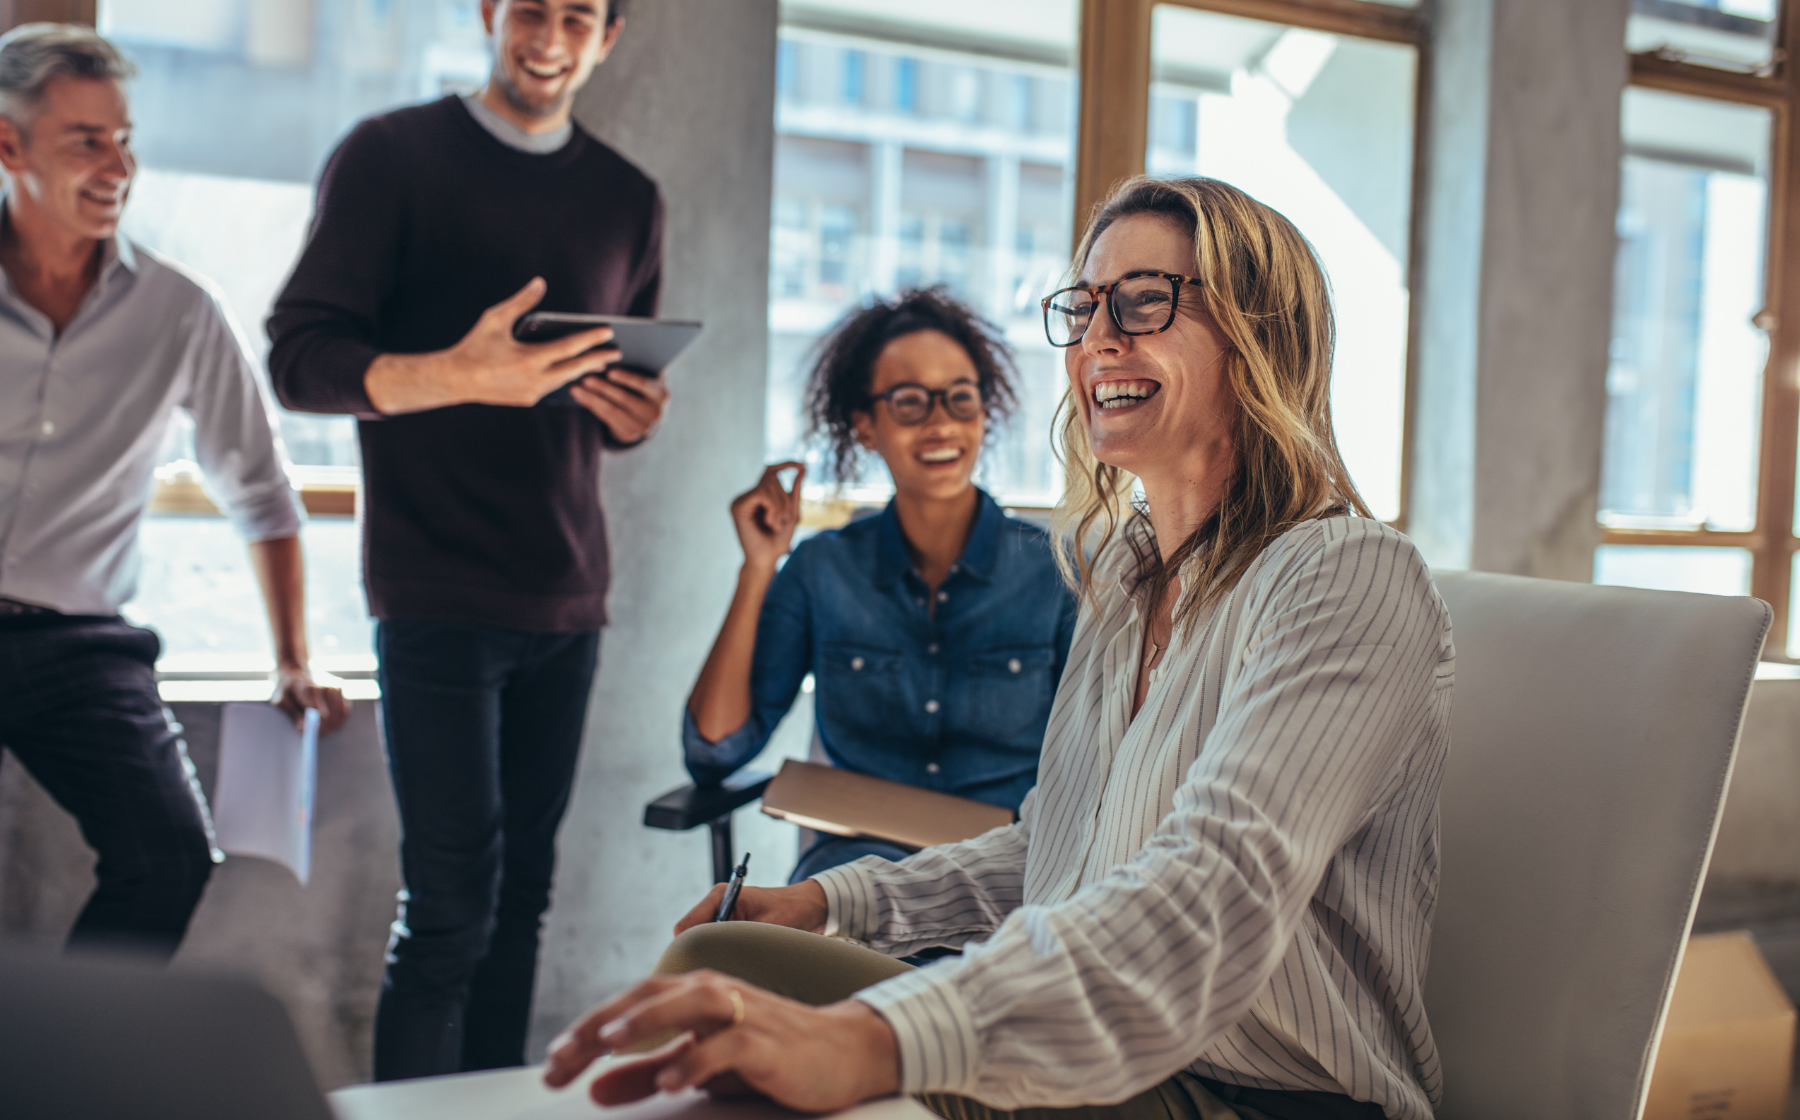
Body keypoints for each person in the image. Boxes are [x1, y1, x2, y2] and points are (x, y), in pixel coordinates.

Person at [544, 176, 1455, 1120]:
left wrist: (875, 1038)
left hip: (1253, 1097)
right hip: (1102, 1050)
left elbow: (1209, 897)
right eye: (1086, 307)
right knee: (722, 958)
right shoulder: (1123, 575)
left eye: (1145, 300)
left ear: (1260, 334)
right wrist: (834, 904)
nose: (1098, 339)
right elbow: (1054, 852)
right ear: (866, 426)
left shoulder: (1346, 575)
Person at [266, 0, 668, 1083]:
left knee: (521, 901)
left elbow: (607, 396)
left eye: (578, 17)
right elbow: (299, 361)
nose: (550, 36)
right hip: (434, 589)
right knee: (449, 911)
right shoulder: (390, 156)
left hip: (568, 592)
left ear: (609, 37)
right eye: (530, 8)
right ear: (490, 11)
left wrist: (630, 416)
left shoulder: (629, 197)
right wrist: (456, 373)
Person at [0, 24, 348, 962]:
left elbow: (261, 493)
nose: (119, 166)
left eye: (124, 139)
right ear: (9, 145)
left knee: (169, 858)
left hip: (80, 643)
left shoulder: (180, 311)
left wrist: (293, 659)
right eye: (87, 141)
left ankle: (68, 1048)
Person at [685, 289, 1078, 882]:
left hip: (1006, 881)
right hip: (851, 877)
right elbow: (714, 750)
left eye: (960, 398)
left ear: (984, 413)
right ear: (865, 426)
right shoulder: (822, 570)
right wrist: (758, 567)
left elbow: (1101, 767)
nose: (941, 422)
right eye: (909, 402)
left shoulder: (1057, 573)